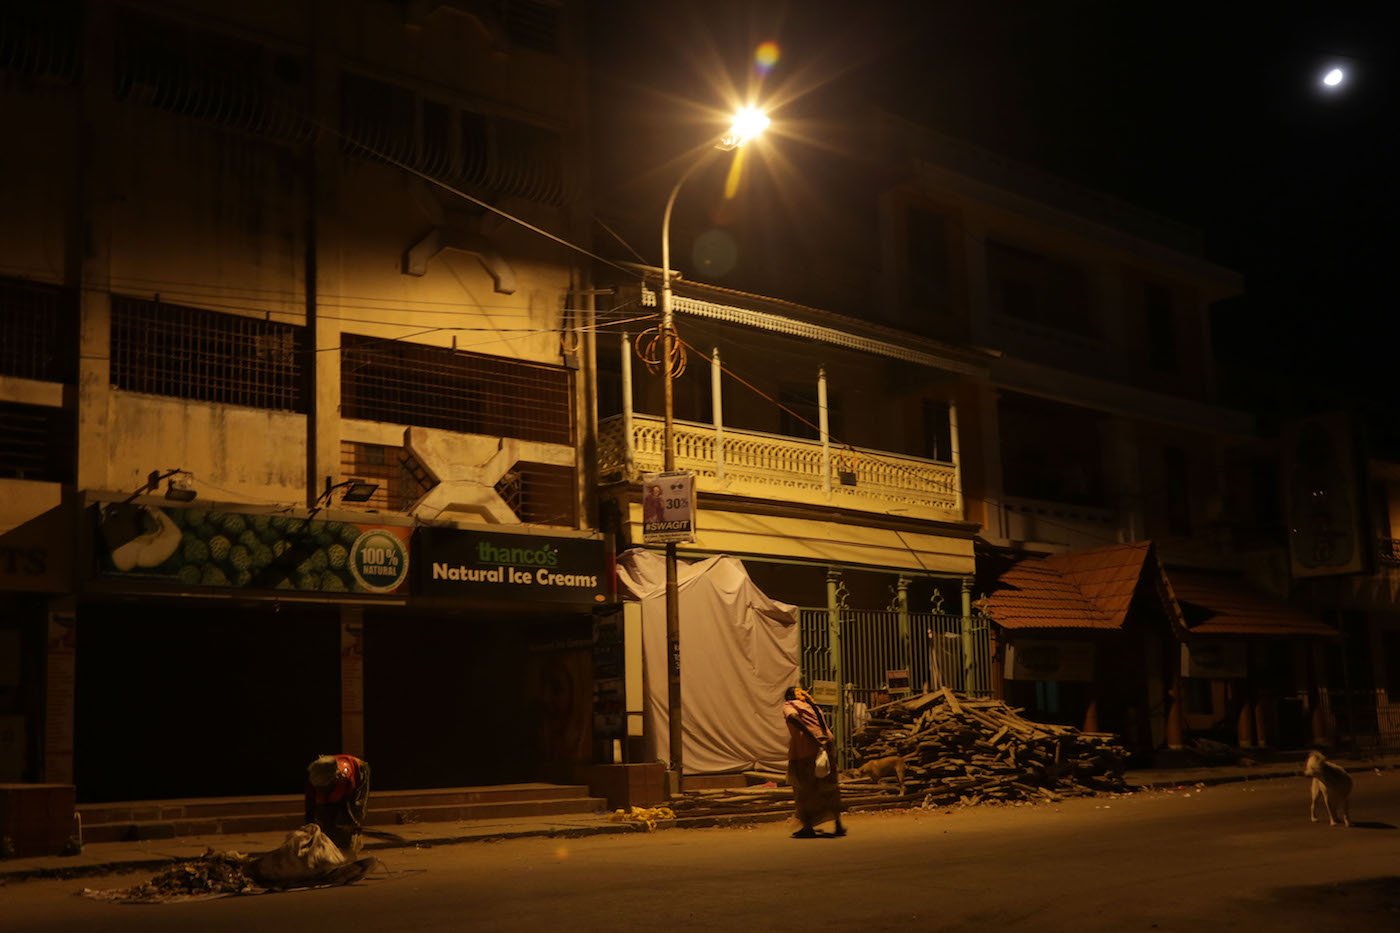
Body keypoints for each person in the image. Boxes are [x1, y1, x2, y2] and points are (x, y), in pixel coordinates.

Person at [782, 685, 846, 838]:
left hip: (806, 751)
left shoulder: (789, 705)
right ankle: (838, 823)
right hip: (827, 746)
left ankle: (808, 826)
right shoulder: (813, 706)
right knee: (829, 785)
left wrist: (812, 737)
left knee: (804, 788)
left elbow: (793, 718)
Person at [304, 753, 371, 857]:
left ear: (333, 780)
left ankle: (349, 849)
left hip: (359, 768)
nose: (322, 789)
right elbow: (310, 806)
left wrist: (353, 822)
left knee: (356, 809)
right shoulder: (314, 778)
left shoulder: (345, 779)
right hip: (335, 770)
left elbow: (346, 804)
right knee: (324, 816)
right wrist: (309, 826)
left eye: (325, 786)